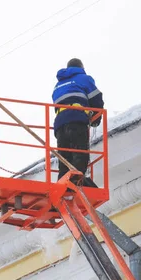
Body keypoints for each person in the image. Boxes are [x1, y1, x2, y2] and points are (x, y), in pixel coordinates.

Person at [52, 58, 103, 186]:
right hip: (76, 118)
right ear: (81, 68)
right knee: (80, 153)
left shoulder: (58, 84)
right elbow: (96, 98)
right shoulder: (84, 78)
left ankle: (62, 184)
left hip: (60, 123)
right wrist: (96, 118)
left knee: (64, 157)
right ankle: (77, 182)